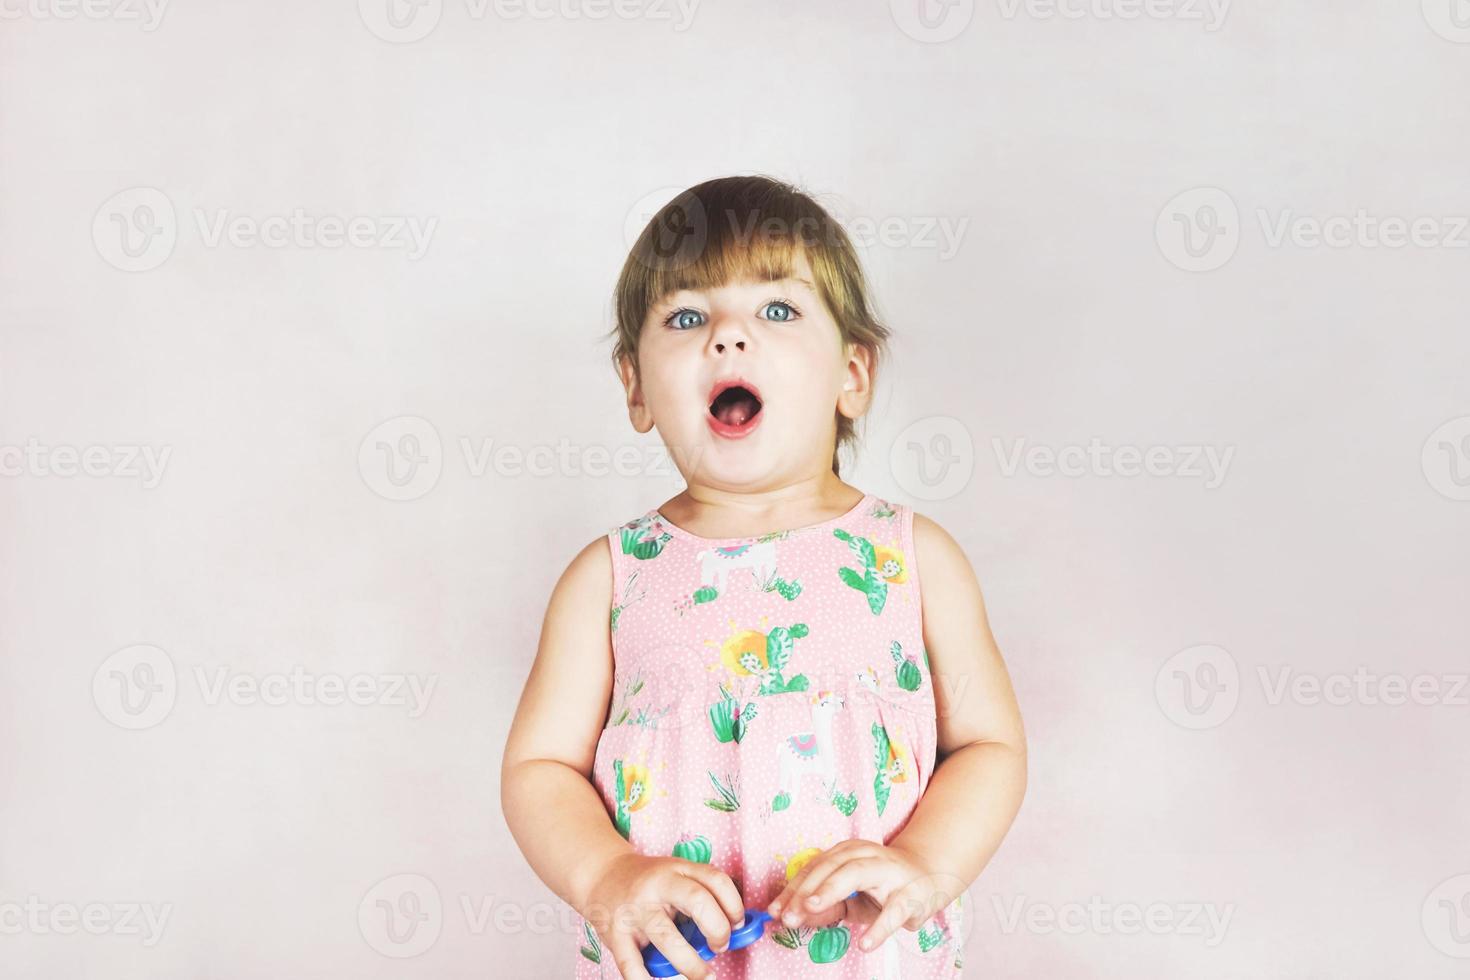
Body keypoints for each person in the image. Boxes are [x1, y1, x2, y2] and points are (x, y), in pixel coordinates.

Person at [501, 175, 1026, 979]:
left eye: (777, 310)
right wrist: (606, 877)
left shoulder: (914, 560)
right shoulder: (608, 581)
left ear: (853, 375)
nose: (728, 338)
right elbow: (539, 770)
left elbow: (989, 745)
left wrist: (924, 861)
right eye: (686, 316)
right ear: (635, 385)